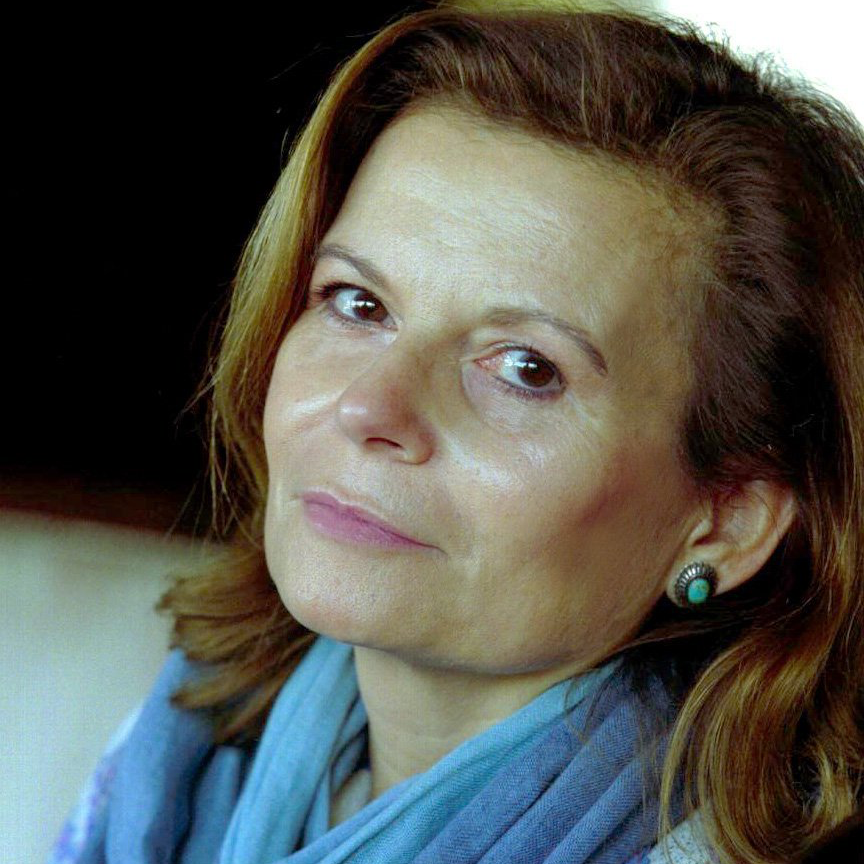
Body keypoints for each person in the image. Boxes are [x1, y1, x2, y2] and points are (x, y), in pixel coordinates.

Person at [48, 5, 864, 864]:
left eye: (526, 368)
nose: (370, 406)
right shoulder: (176, 759)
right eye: (358, 303)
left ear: (726, 521)